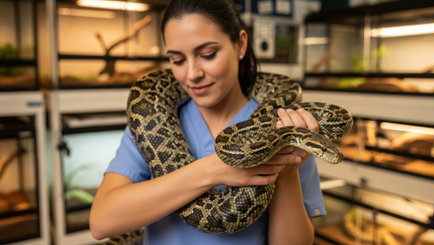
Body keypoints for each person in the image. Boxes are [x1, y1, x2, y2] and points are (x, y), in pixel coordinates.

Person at [89, 0, 326, 244]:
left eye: (207, 55)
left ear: (240, 44)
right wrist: (212, 170)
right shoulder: (148, 122)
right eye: (177, 60)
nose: (192, 74)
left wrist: (287, 172)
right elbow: (101, 222)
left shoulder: (284, 126)